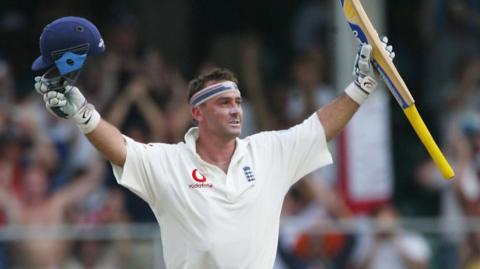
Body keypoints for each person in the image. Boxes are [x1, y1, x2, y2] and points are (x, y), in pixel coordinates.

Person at [31, 16, 394, 269]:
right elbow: (121, 148)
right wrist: (83, 114)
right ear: (198, 114)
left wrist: (362, 85)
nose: (236, 110)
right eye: (224, 103)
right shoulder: (170, 162)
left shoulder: (268, 152)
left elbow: (319, 127)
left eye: (237, 101)